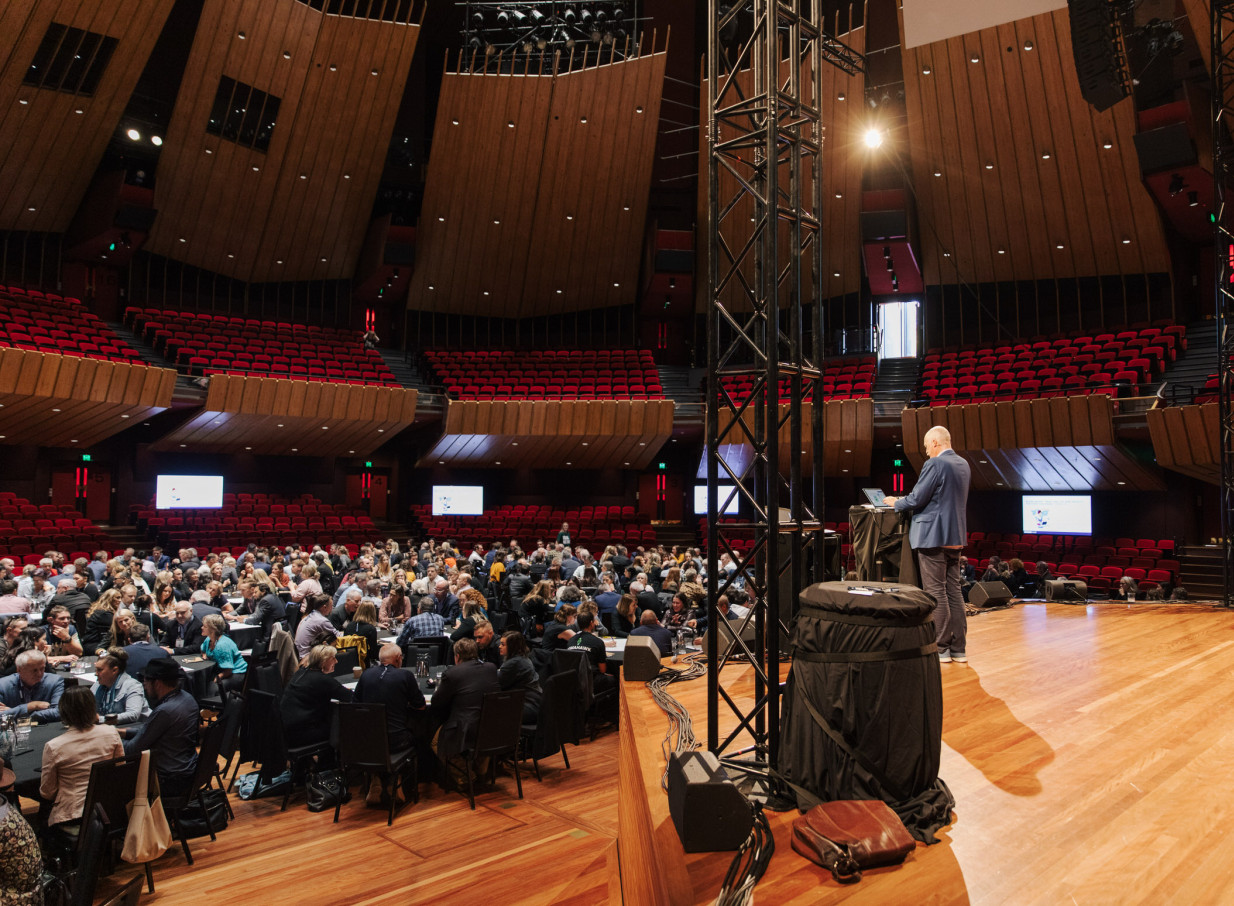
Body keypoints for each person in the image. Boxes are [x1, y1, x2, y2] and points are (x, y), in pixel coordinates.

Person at [885, 425, 972, 664]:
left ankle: (941, 648)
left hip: (933, 535)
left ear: (935, 442)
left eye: (926, 447)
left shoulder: (935, 464)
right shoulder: (963, 464)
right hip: (955, 536)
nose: (926, 452)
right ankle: (958, 649)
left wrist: (896, 502)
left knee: (936, 592)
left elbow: (917, 498)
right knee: (954, 591)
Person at [39, 686, 125, 829]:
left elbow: (47, 793)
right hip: (109, 809)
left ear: (64, 712)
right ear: (92, 708)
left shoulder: (54, 746)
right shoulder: (111, 733)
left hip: (73, 815)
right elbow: (120, 772)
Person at [354, 643, 428, 798]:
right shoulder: (405, 676)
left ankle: (376, 778)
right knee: (419, 733)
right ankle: (397, 778)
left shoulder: (365, 675)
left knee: (381, 737)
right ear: (398, 659)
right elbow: (421, 706)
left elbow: (356, 707)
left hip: (366, 741)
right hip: (397, 741)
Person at [120, 657, 199, 796]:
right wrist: (123, 732)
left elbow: (133, 749)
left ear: (156, 683)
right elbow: (151, 731)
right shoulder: (187, 698)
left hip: (169, 781)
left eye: (145, 681)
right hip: (189, 771)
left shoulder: (165, 711)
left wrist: (108, 738)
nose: (144, 685)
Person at [430, 638, 499, 768]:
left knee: (435, 743)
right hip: (490, 727)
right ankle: (481, 772)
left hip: (464, 728)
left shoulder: (452, 674)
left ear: (457, 656)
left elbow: (436, 702)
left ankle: (464, 776)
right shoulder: (491, 668)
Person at [280, 644, 352, 749]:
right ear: (324, 661)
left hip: (284, 731)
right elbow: (350, 697)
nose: (336, 661)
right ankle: (328, 763)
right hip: (301, 734)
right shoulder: (323, 680)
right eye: (333, 658)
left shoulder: (300, 673)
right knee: (342, 728)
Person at [0, 650, 64, 722]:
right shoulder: (3, 685)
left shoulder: (54, 681)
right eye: (34, 670)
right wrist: (31, 706)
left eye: (42, 669)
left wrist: (14, 712)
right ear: (19, 670)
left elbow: (59, 712)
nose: (39, 674)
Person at [92, 648, 149, 725]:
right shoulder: (97, 686)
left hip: (133, 730)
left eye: (99, 670)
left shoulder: (132, 686)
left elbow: (133, 714)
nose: (96, 674)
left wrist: (100, 719)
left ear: (114, 670)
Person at [497, 631, 542, 722]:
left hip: (529, 707)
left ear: (512, 647)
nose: (499, 646)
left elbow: (496, 684)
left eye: (503, 644)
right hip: (535, 703)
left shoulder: (514, 663)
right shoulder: (521, 658)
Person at [200, 614, 248, 694]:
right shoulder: (208, 639)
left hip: (236, 672)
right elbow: (203, 648)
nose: (201, 628)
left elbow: (228, 671)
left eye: (205, 626)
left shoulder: (222, 646)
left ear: (213, 629)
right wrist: (204, 654)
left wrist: (218, 677)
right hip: (221, 669)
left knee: (213, 688)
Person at [295, 593, 341, 659]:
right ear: (325, 607)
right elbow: (339, 636)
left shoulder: (310, 615)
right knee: (335, 643)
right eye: (331, 606)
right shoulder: (322, 620)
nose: (332, 608)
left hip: (301, 653)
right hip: (307, 656)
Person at [343, 600, 381, 666]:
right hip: (365, 663)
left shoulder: (349, 626)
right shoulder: (371, 629)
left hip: (348, 661)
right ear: (372, 613)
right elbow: (373, 654)